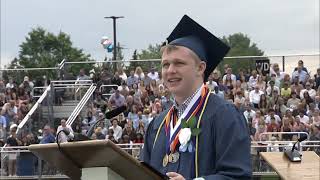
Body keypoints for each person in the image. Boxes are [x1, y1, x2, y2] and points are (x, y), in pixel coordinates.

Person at [141, 15, 251, 179]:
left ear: (200, 68)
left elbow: (237, 176)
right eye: (165, 64)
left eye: (179, 63)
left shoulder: (225, 115)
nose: (170, 70)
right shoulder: (157, 125)